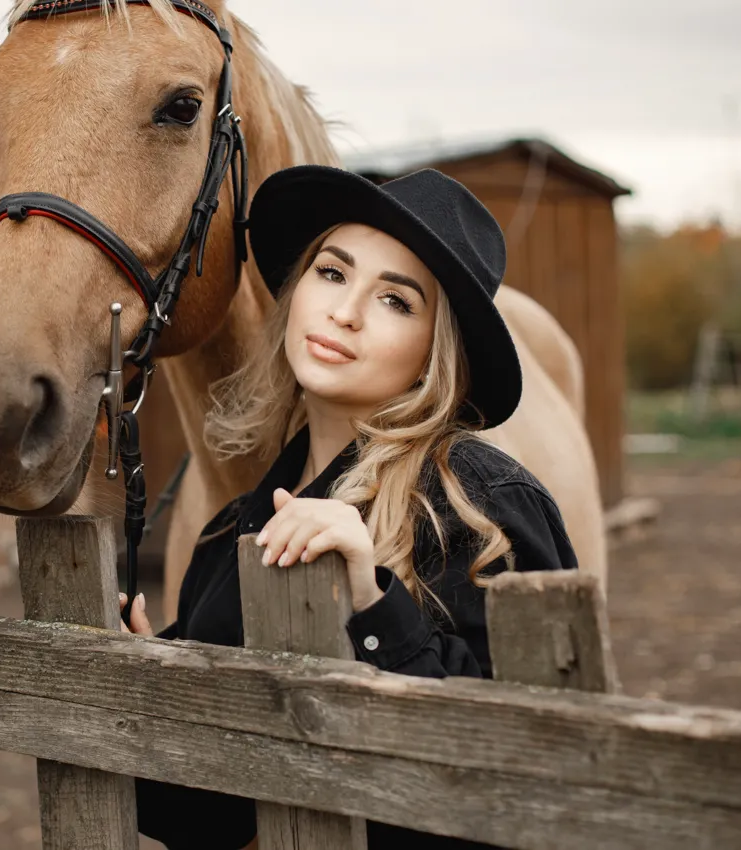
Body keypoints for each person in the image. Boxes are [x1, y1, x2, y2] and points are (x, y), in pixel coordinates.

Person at [119, 164, 579, 849]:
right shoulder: (227, 537)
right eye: (332, 273)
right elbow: (202, 822)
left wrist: (371, 601)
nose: (345, 311)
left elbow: (537, 778)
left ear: (434, 353)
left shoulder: (483, 510)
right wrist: (148, 690)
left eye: (396, 301)